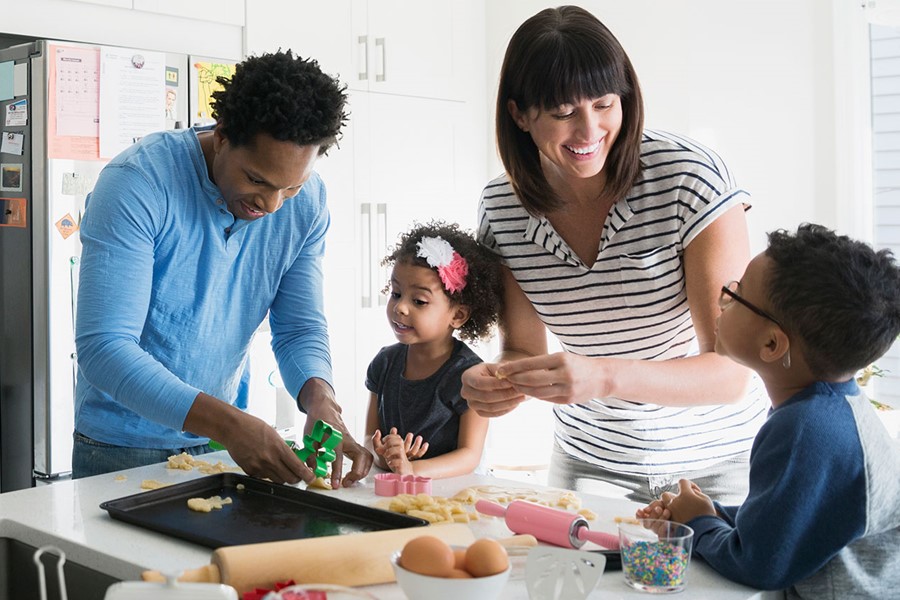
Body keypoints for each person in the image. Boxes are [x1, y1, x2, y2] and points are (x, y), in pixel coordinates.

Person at [461, 5, 769, 504]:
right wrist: (499, 380)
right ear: (518, 113)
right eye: (563, 113)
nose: (589, 131)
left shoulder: (688, 179)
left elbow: (731, 371)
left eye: (604, 104)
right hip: (589, 464)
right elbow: (522, 348)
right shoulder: (501, 208)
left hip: (719, 464)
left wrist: (602, 374)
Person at [74, 50, 373, 488]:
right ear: (224, 134)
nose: (271, 205)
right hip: (121, 447)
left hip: (221, 444)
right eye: (257, 180)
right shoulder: (137, 183)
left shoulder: (307, 205)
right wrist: (230, 425)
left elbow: (299, 329)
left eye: (291, 186)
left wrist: (320, 399)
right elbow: (105, 348)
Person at [636, 223, 900, 597]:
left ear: (772, 343)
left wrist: (699, 522)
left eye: (736, 294)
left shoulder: (806, 430)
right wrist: (704, 514)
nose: (722, 300)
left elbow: (760, 563)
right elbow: (793, 521)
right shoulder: (832, 410)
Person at [365, 221, 503, 478]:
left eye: (419, 301)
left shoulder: (472, 376)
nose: (400, 308)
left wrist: (412, 469)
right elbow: (369, 438)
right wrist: (386, 455)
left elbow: (469, 456)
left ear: (458, 315)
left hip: (454, 495)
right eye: (396, 293)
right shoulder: (383, 363)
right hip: (397, 490)